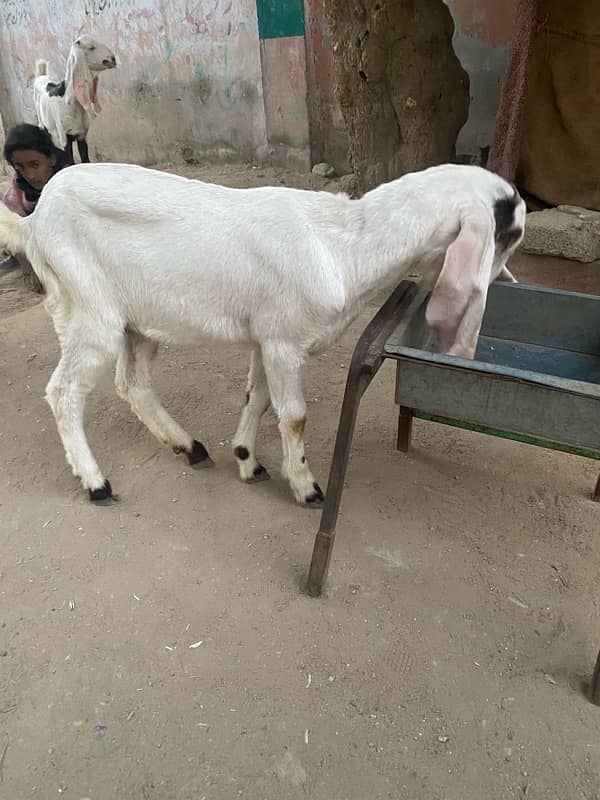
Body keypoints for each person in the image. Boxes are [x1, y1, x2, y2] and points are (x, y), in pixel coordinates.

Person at [2, 123, 71, 293]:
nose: (30, 175)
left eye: (35, 165)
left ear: (52, 159)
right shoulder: (19, 191)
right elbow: (15, 234)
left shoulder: (69, 179)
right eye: (21, 168)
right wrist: (31, 269)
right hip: (37, 245)